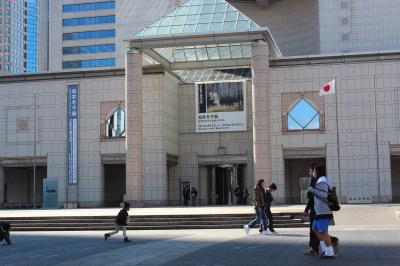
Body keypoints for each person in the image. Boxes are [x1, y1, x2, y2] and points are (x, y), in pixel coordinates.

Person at [303, 163, 339, 256]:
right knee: (315, 228)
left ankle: (329, 251)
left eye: (314, 171)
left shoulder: (322, 181)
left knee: (323, 231)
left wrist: (312, 190)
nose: (313, 173)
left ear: (317, 172)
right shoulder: (320, 180)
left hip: (323, 210)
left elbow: (323, 195)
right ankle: (324, 248)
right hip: (319, 210)